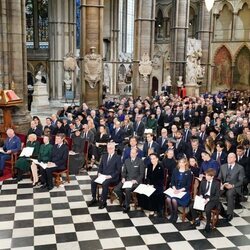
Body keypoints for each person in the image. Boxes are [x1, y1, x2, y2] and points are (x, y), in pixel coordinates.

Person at [89, 142, 122, 209]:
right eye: (108, 148)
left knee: (105, 183)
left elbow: (118, 171)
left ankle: (103, 201)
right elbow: (100, 167)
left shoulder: (118, 157)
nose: (109, 150)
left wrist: (110, 176)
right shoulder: (104, 156)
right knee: (93, 181)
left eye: (111, 148)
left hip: (112, 177)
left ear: (114, 148)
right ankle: (94, 198)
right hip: (103, 176)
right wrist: (99, 173)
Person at [114, 147, 145, 213]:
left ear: (137, 153)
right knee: (116, 189)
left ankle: (127, 206)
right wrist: (123, 177)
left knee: (127, 189)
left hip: (135, 182)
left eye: (133, 153)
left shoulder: (140, 161)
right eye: (131, 153)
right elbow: (124, 172)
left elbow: (142, 174)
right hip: (127, 180)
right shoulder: (127, 160)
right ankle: (123, 199)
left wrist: (136, 180)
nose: (132, 154)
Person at [190, 168, 221, 233]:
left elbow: (217, 196)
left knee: (207, 209)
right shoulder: (203, 181)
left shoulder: (216, 183)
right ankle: (196, 219)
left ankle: (208, 224)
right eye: (206, 175)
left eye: (207, 175)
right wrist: (200, 196)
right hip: (204, 198)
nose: (205, 176)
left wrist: (208, 199)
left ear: (212, 176)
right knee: (192, 206)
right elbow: (200, 191)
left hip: (212, 199)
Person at [219, 153, 245, 221]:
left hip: (234, 186)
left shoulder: (240, 168)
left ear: (235, 159)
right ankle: (221, 210)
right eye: (228, 157)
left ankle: (230, 214)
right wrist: (221, 184)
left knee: (229, 194)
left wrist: (232, 185)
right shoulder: (223, 166)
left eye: (231, 157)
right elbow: (219, 178)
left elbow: (241, 181)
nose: (228, 159)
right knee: (214, 193)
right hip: (224, 185)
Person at [166, 157, 192, 223]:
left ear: (185, 163)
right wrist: (174, 188)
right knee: (168, 199)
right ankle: (173, 214)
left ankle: (176, 215)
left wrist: (179, 190)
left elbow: (188, 185)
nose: (181, 164)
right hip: (175, 189)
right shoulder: (175, 170)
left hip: (183, 191)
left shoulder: (188, 172)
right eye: (179, 162)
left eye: (182, 162)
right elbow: (172, 181)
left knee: (174, 200)